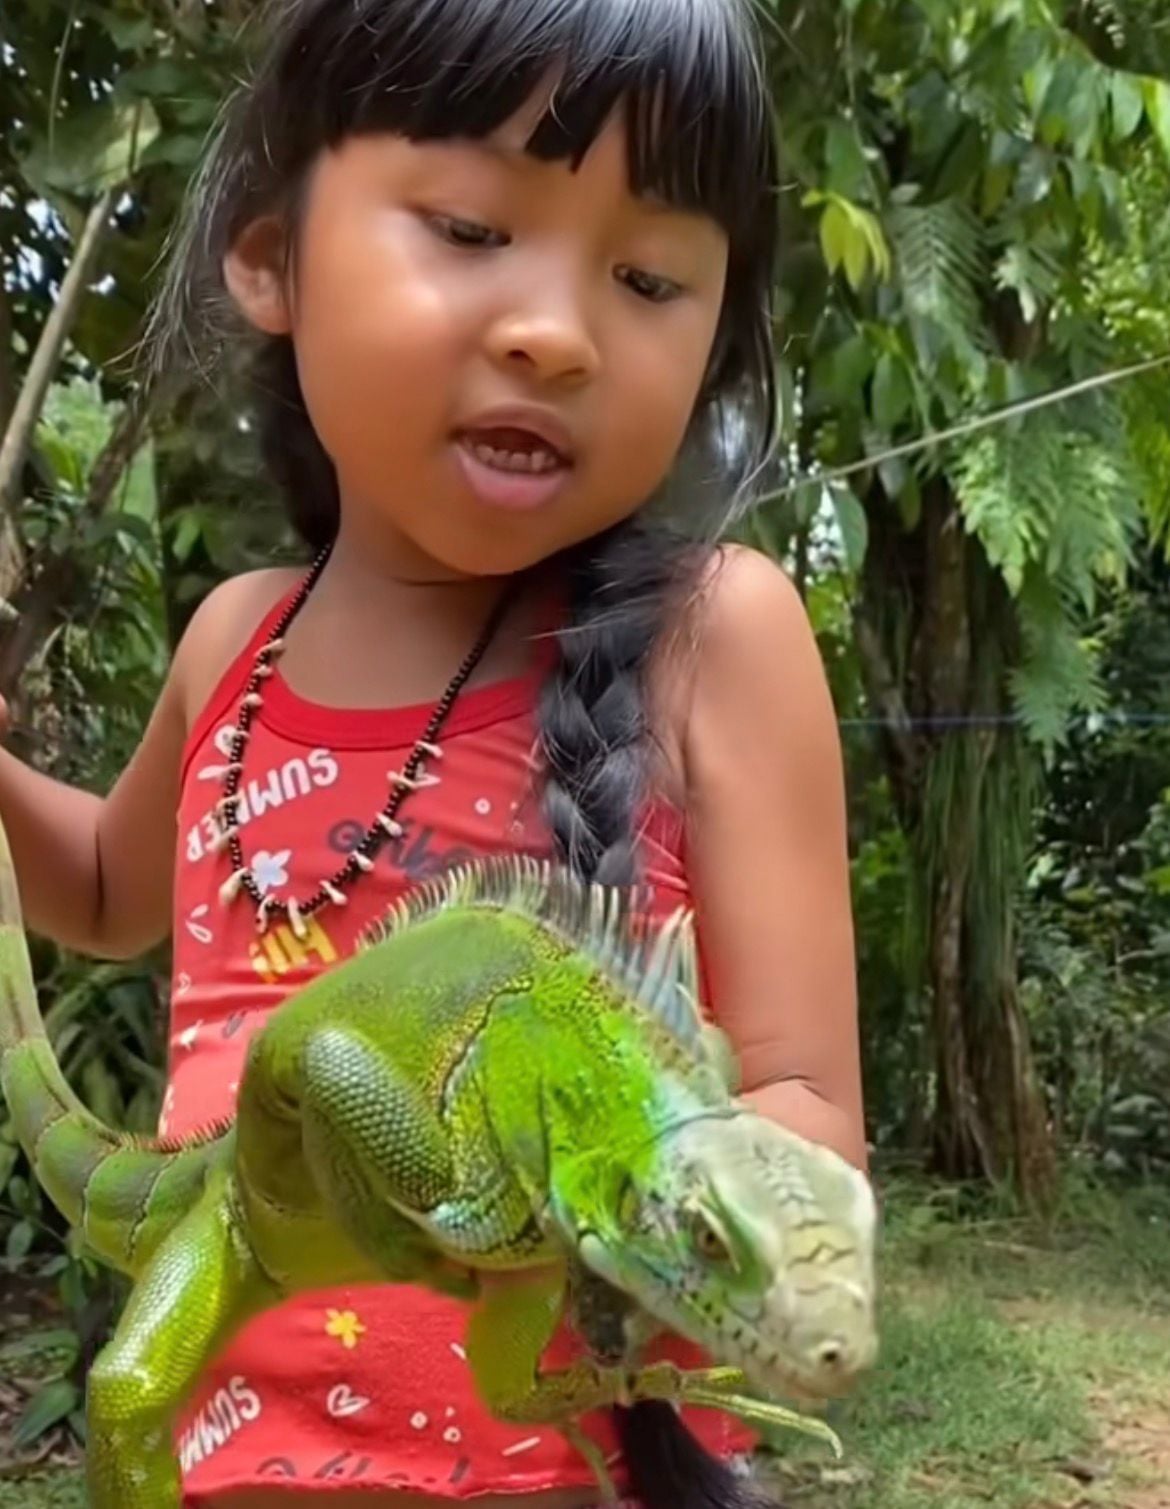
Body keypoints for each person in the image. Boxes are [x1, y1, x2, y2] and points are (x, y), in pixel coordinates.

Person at [0, 0, 866, 1504]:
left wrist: (638, 1195)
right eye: (471, 229)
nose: (555, 326)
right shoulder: (233, 640)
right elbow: (97, 888)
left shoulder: (717, 635)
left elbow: (801, 1106)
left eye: (650, 275)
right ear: (271, 258)